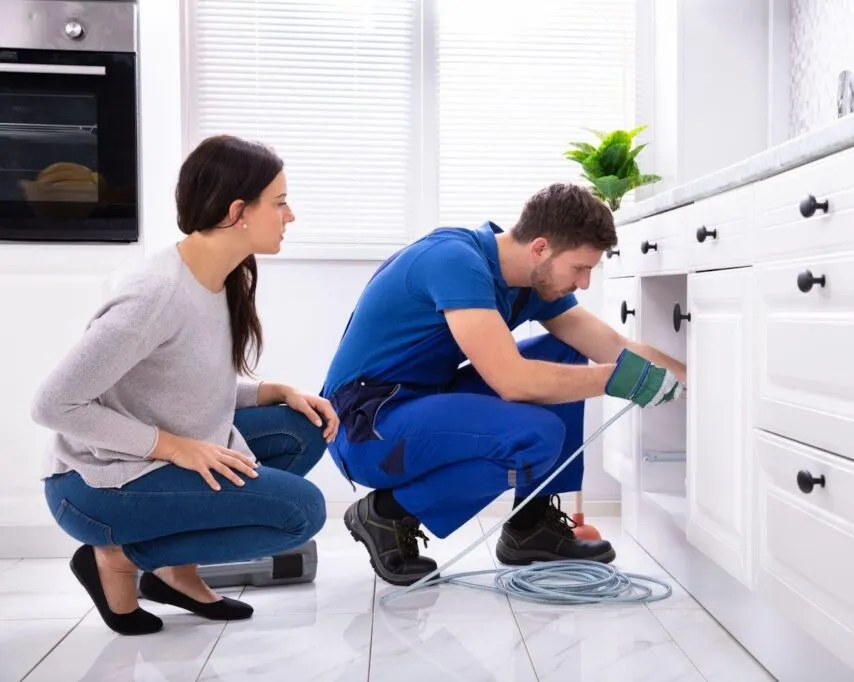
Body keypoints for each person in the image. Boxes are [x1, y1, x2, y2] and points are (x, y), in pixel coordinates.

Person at [31, 135, 338, 636]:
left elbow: (183, 383)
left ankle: (177, 575)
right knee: (300, 512)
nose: (291, 216)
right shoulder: (156, 294)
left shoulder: (218, 277)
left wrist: (274, 391)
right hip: (95, 485)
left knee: (298, 428)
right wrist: (175, 448)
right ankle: (117, 558)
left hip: (148, 462)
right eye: (280, 203)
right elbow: (53, 404)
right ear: (239, 211)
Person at [320, 182, 685, 586]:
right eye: (580, 268)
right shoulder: (453, 260)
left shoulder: (531, 282)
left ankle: (531, 525)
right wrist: (618, 381)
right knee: (536, 435)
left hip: (423, 404)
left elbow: (613, 347)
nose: (584, 283)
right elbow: (512, 381)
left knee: (560, 350)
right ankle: (387, 513)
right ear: (541, 248)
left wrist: (697, 379)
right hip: (365, 427)